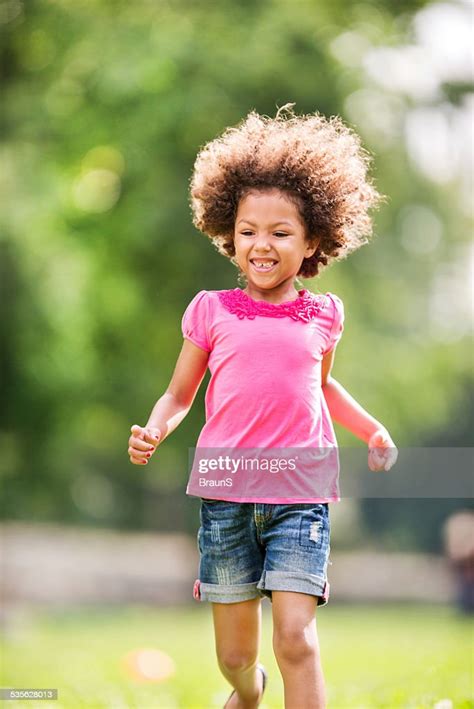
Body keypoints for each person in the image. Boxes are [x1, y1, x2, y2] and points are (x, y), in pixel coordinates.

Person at [127, 105, 398, 709]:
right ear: (230, 232)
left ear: (313, 241)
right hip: (227, 495)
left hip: (300, 494)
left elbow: (322, 387)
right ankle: (249, 695)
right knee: (235, 658)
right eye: (249, 230)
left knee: (296, 639)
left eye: (281, 232)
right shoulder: (210, 311)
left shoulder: (324, 315)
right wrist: (155, 428)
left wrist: (371, 429)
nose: (262, 245)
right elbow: (179, 394)